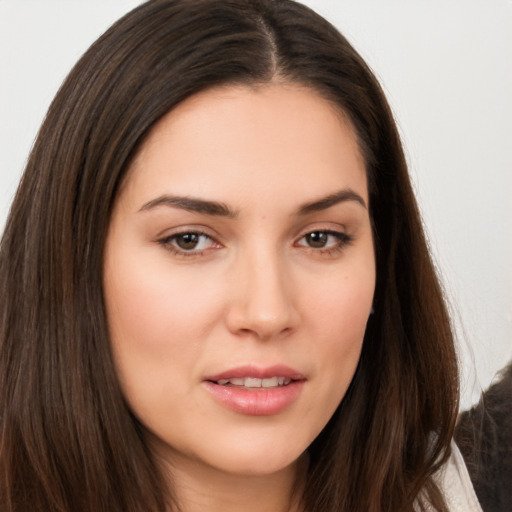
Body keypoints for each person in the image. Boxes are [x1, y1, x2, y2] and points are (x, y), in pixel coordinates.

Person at [0, 1, 482, 511]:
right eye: (190, 239)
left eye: (320, 238)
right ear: (73, 260)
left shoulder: (461, 489)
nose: (267, 313)